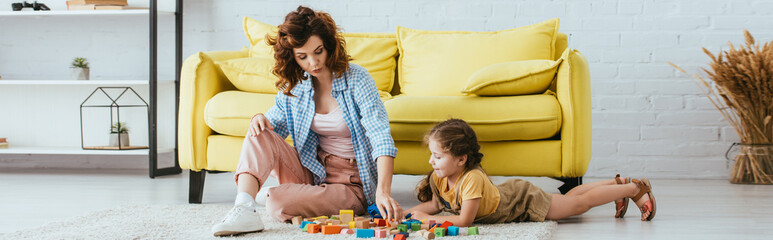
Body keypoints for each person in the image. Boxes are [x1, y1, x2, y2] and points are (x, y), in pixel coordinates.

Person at [212, 6, 403, 236]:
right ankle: (244, 207)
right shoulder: (296, 86)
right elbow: (273, 128)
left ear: (329, 46)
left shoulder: (357, 79)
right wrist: (260, 118)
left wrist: (383, 191)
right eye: (303, 57)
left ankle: (282, 194)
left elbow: (381, 136)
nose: (313, 63)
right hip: (313, 171)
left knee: (276, 202)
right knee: (258, 130)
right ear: (293, 57)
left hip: (351, 183)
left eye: (318, 51)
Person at [404, 119, 656, 227]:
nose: (431, 161)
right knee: (570, 199)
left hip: (521, 201)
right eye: (432, 154)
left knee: (576, 205)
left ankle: (635, 188)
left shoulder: (471, 179)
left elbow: (464, 221)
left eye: (437, 156)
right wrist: (406, 214)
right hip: (507, 196)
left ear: (461, 159)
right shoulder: (439, 176)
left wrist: (425, 220)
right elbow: (438, 204)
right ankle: (616, 183)